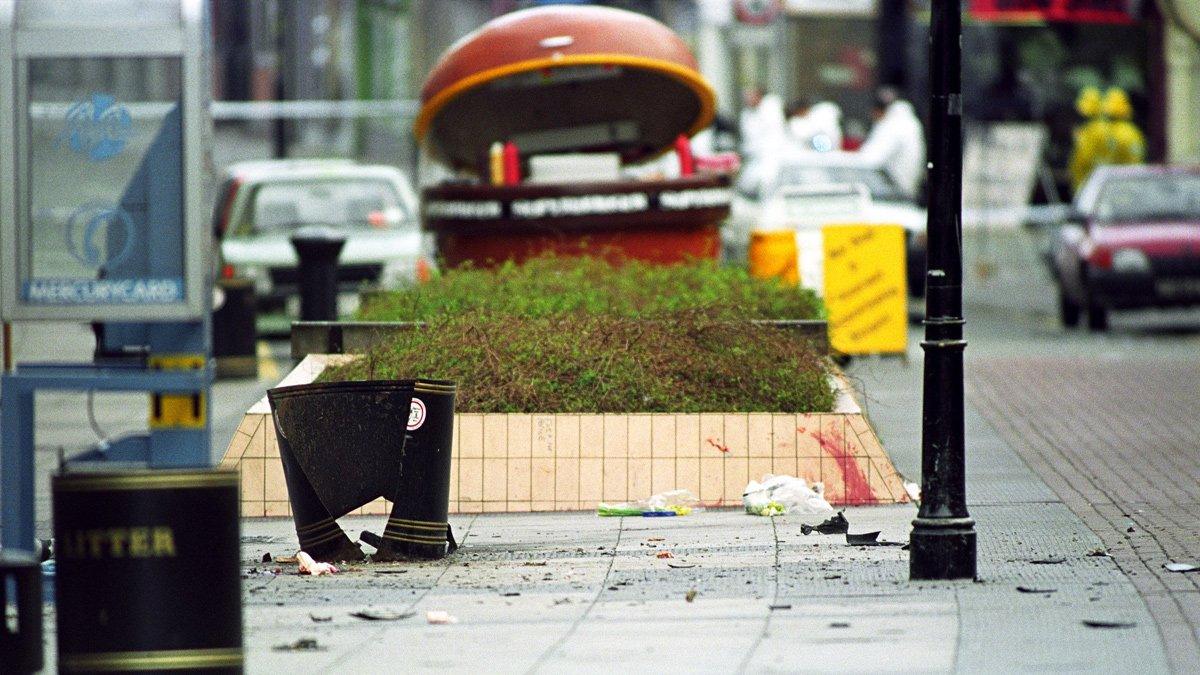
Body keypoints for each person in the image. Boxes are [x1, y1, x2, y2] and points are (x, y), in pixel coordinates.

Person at [858, 87, 926, 200]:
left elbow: (869, 160)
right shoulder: (910, 122)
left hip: (893, 194)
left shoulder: (893, 125)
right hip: (907, 190)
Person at [1068, 86, 1109, 191]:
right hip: (1082, 183)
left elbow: (1088, 156)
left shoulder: (1100, 129)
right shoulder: (1087, 128)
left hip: (1093, 184)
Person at [1102, 87, 1145, 167]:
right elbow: (1138, 157)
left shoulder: (1106, 132)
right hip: (1133, 176)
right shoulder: (1133, 132)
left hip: (1115, 176)